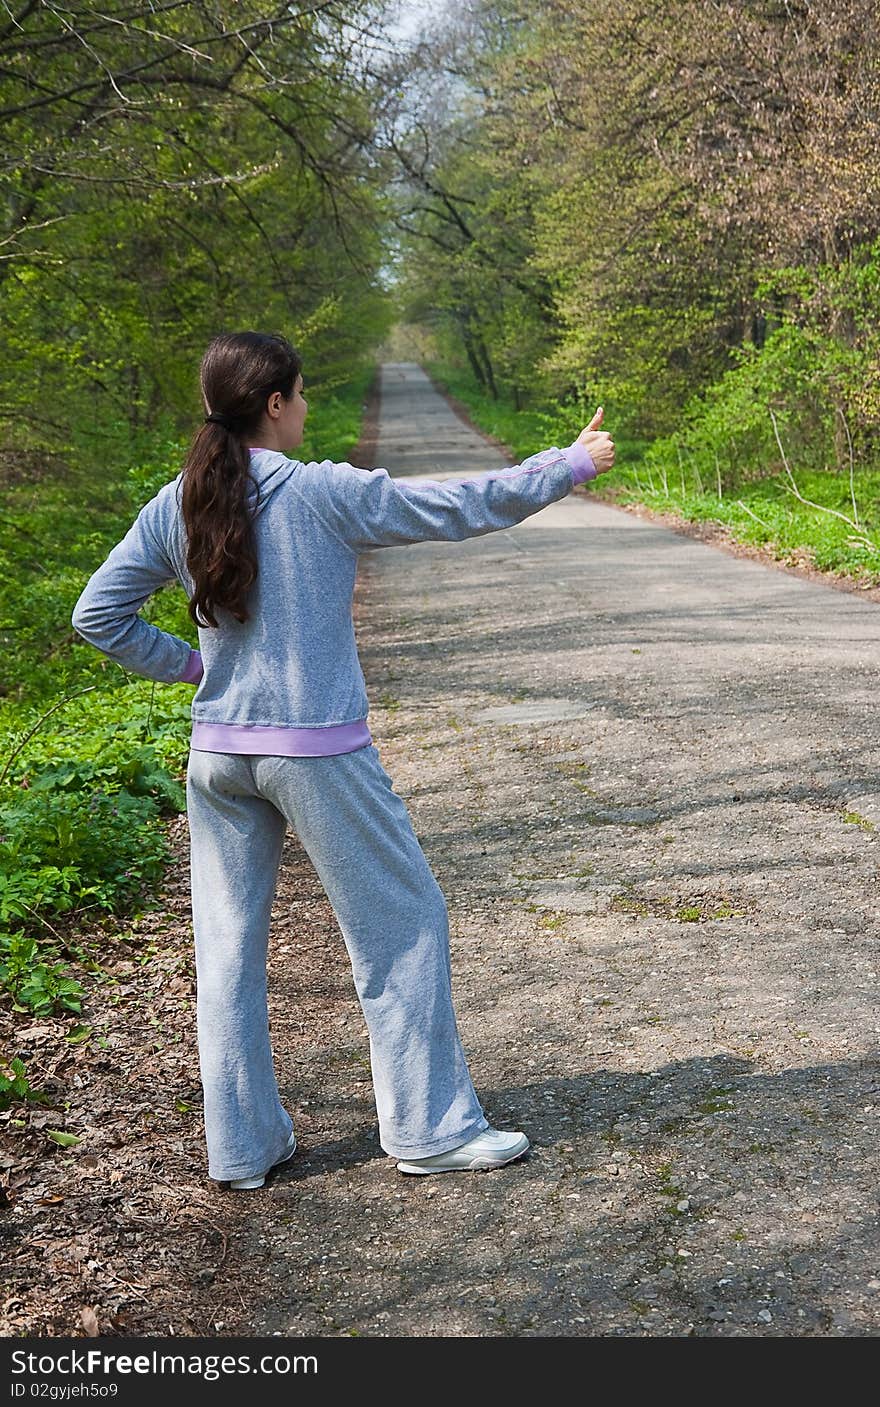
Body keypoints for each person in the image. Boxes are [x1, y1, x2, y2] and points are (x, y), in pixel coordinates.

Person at [70, 330, 615, 1190]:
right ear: (276, 404)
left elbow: (97, 615)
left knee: (227, 951)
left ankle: (242, 1150)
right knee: (403, 925)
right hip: (315, 751)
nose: (310, 406)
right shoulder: (320, 492)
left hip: (217, 756)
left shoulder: (174, 502)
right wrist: (571, 464)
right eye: (303, 393)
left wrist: (194, 666)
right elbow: (458, 503)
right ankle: (429, 1129)